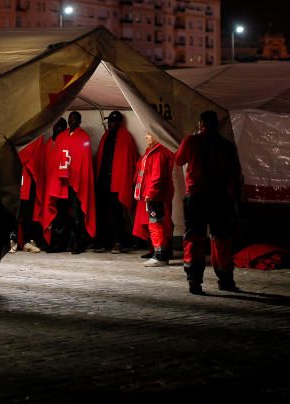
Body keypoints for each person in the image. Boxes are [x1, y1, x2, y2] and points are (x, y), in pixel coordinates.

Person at [175, 111, 244, 295]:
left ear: (201, 123)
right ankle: (225, 279)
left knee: (194, 239)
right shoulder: (227, 146)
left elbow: (179, 160)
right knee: (221, 239)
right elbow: (235, 174)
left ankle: (194, 281)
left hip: (196, 197)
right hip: (220, 198)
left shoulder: (192, 141)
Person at [46, 111, 95, 254]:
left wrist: (75, 176)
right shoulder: (61, 137)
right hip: (62, 182)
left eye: (74, 119)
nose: (71, 121)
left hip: (75, 182)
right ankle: (57, 244)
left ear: (79, 121)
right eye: (70, 118)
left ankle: (77, 243)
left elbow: (84, 161)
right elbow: (56, 159)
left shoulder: (84, 137)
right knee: (60, 213)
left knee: (76, 214)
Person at [14, 119, 66, 253]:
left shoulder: (38, 137)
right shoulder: (19, 134)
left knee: (26, 212)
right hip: (20, 177)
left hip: (29, 181)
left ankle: (25, 240)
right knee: (17, 211)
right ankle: (13, 239)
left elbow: (38, 160)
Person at [93, 110, 139, 253]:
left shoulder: (125, 138)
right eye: (110, 121)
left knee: (116, 214)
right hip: (104, 182)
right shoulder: (105, 136)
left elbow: (128, 162)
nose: (111, 124)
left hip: (117, 184)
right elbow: (101, 158)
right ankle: (103, 241)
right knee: (102, 212)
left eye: (113, 121)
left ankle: (118, 242)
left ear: (119, 122)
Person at [132, 131, 175, 267]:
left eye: (149, 134)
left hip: (156, 195)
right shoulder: (152, 151)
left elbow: (157, 175)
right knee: (156, 223)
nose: (146, 136)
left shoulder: (159, 153)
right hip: (154, 194)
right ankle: (161, 254)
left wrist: (151, 193)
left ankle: (160, 256)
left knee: (156, 224)